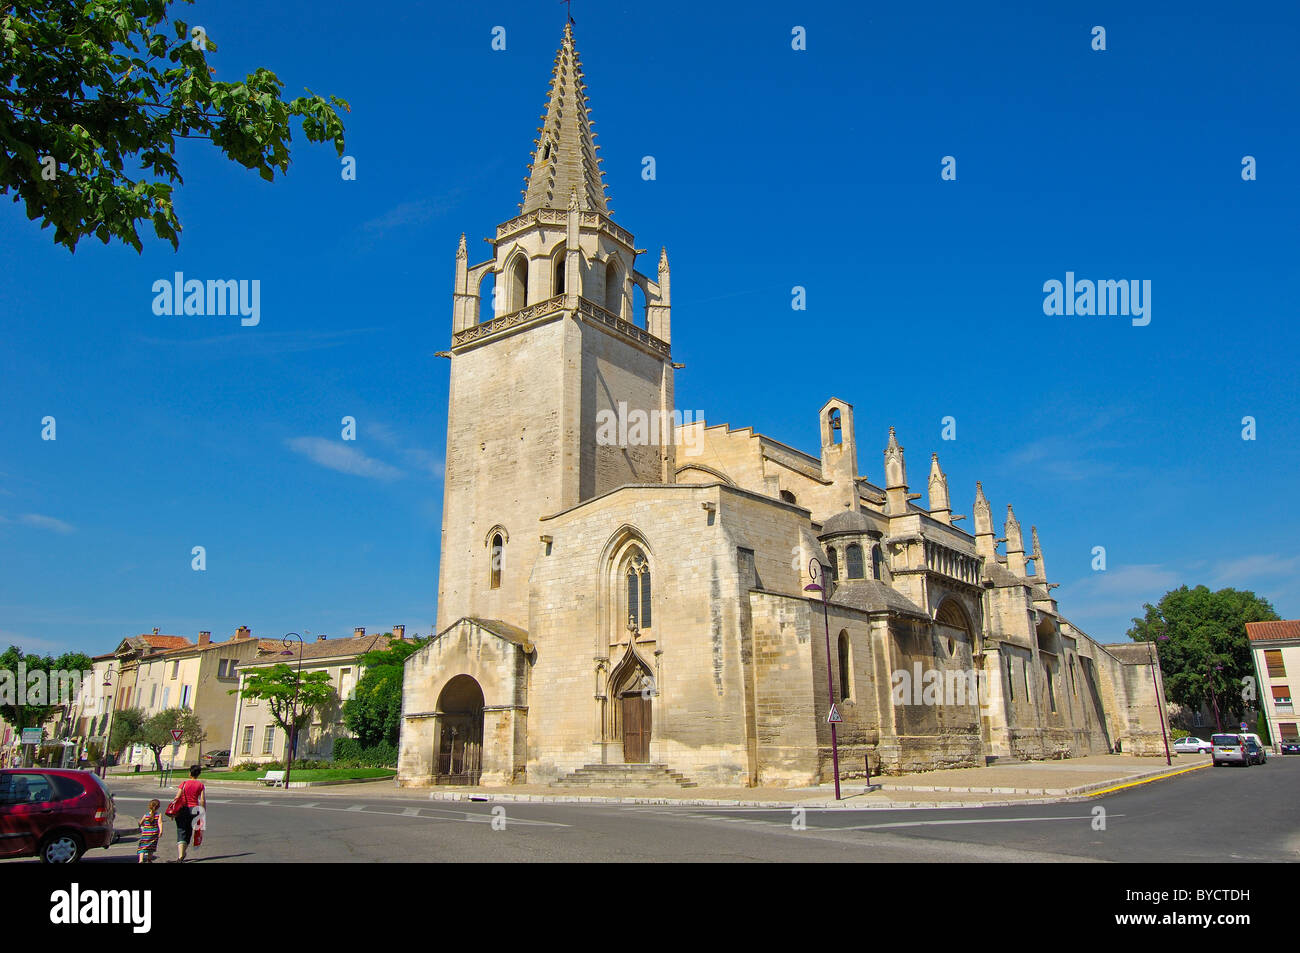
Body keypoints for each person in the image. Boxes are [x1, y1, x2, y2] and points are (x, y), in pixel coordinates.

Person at [172, 765, 206, 862]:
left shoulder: (184, 784)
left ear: (190, 773)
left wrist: (173, 811)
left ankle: (180, 855)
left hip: (183, 809)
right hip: (194, 809)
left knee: (181, 830)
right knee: (189, 831)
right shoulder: (200, 785)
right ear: (198, 774)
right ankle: (182, 854)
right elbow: (202, 800)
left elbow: (177, 797)